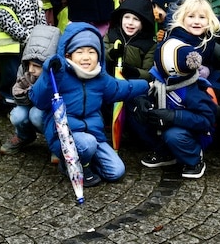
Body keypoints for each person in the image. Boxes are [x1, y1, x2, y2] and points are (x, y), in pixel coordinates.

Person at [29, 22, 150, 187]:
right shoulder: (60, 74)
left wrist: (147, 84)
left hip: (94, 135)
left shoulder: (100, 77)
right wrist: (47, 74)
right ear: (68, 55)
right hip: (65, 135)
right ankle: (74, 165)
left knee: (116, 171)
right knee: (87, 144)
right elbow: (38, 100)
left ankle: (84, 160)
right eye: (79, 52)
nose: (86, 57)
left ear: (98, 55)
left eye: (92, 52)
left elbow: (121, 88)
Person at [135, 22, 220, 180]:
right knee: (139, 112)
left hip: (191, 132)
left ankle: (194, 159)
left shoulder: (192, 89)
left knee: (173, 135)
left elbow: (207, 119)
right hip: (166, 123)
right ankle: (165, 153)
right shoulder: (162, 81)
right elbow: (148, 93)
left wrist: (174, 116)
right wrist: (142, 102)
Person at [0, 23, 60, 154]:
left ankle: (56, 142)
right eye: (29, 64)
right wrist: (27, 95)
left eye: (37, 66)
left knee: (36, 114)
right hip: (28, 104)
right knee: (17, 115)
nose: (31, 69)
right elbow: (17, 90)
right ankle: (24, 136)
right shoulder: (25, 70)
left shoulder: (56, 75)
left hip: (48, 112)